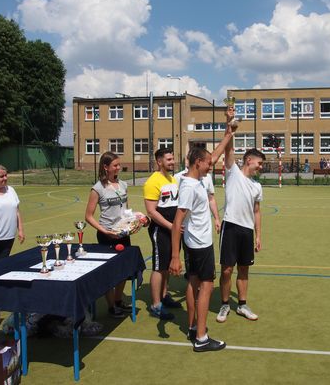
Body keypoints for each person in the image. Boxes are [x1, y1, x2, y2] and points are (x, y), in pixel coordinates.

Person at [170, 124, 235, 352]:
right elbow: (178, 221)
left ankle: (192, 328)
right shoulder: (189, 186)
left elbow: (215, 156)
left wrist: (229, 133)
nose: (212, 165)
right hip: (199, 244)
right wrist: (174, 257)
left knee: (193, 282)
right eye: (208, 163)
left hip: (194, 242)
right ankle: (201, 337)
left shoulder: (193, 179)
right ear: (198, 162)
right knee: (206, 287)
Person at [216, 137, 265, 324]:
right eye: (259, 163)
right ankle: (225, 304)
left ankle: (242, 305)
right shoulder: (233, 172)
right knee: (227, 269)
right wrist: (230, 126)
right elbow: (228, 149)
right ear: (248, 160)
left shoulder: (257, 186)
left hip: (246, 231)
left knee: (244, 269)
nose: (260, 167)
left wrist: (258, 235)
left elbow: (257, 211)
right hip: (230, 226)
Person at [85, 152, 134, 318]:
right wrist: (104, 230)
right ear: (105, 167)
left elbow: (126, 209)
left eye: (119, 165)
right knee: (109, 272)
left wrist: (134, 220)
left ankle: (119, 300)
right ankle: (111, 305)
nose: (118, 168)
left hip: (123, 233)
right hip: (107, 235)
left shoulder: (123, 185)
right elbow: (89, 216)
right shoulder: (98, 188)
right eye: (115, 165)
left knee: (123, 270)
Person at [143, 148, 182, 320]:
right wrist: (170, 226)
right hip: (161, 230)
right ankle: (156, 304)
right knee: (159, 267)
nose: (172, 162)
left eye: (173, 158)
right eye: (169, 159)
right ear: (159, 161)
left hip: (173, 229)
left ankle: (164, 296)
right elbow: (151, 211)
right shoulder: (152, 181)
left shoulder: (172, 179)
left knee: (167, 265)